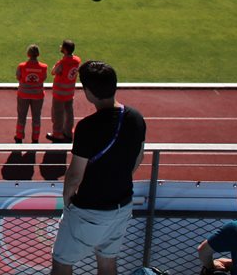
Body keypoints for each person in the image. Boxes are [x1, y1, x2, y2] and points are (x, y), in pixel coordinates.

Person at [50, 60, 147, 275]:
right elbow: (138, 157)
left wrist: (68, 204)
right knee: (107, 262)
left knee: (61, 263)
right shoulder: (136, 118)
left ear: (88, 92)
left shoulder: (87, 127)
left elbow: (75, 175)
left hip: (89, 210)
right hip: (122, 204)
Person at [49, 40, 82, 142]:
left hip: (59, 93)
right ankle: (68, 132)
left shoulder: (62, 63)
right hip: (70, 91)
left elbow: (53, 72)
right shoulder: (77, 60)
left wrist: (56, 66)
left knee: (58, 114)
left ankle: (57, 134)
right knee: (69, 113)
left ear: (65, 50)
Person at [15, 44, 47, 144]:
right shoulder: (43, 67)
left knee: (21, 116)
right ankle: (35, 138)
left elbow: (18, 77)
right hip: (38, 95)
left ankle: (19, 136)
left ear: (28, 54)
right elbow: (43, 78)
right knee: (36, 117)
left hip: (23, 94)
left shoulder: (22, 66)